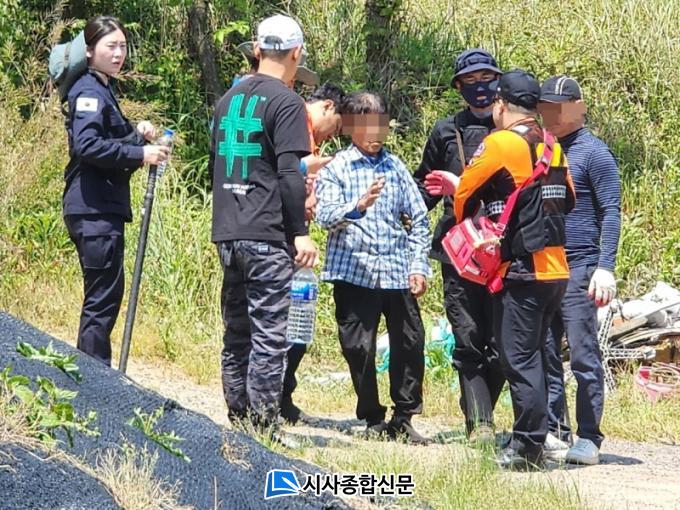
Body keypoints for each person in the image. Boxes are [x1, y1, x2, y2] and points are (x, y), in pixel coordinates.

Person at [434, 70, 575, 468]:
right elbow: (569, 198)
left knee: (518, 358)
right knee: (535, 354)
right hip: (555, 268)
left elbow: (463, 195)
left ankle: (527, 446)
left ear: (500, 105)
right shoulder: (552, 145)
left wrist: (478, 222)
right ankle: (538, 435)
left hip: (522, 269)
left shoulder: (500, 142)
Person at [209, 15, 317, 431]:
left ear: (256, 50)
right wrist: (300, 232)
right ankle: (262, 427)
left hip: (229, 229)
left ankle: (237, 417)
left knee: (237, 331)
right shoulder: (287, 102)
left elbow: (217, 164)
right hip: (266, 232)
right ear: (296, 53)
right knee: (270, 334)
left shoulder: (228, 99)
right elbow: (290, 173)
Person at [316, 91, 431, 444]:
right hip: (354, 272)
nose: (376, 134)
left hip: (397, 270)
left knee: (410, 343)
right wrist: (358, 205)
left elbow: (419, 219)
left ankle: (404, 417)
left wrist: (418, 266)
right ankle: (372, 417)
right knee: (358, 348)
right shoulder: (337, 167)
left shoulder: (395, 167)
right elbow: (325, 216)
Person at [62, 16, 169, 366]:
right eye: (111, 46)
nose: (119, 53)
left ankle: (94, 376)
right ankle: (94, 382)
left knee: (105, 297)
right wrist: (141, 154)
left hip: (99, 208)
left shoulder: (101, 87)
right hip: (93, 210)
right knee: (101, 301)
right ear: (89, 51)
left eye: (122, 46)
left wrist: (137, 136)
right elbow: (88, 146)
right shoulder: (89, 91)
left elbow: (107, 143)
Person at [413, 49, 504, 441]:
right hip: (458, 250)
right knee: (467, 337)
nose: (480, 88)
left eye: (487, 78)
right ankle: (480, 424)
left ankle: (482, 411)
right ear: (458, 87)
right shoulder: (445, 131)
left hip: (504, 250)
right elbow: (424, 187)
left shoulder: (515, 132)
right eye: (470, 81)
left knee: (501, 343)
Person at [538, 76, 621, 465]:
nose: (551, 114)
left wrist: (606, 266)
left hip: (580, 265)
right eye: (545, 107)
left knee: (583, 355)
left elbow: (611, 212)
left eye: (559, 107)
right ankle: (556, 430)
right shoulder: (542, 151)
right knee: (545, 351)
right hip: (544, 265)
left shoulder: (595, 153)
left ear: (577, 107)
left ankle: (589, 436)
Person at [281, 83, 345, 425]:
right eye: (336, 126)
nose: (333, 135)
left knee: (296, 321)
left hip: (294, 232)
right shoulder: (294, 121)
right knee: (282, 320)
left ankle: (282, 395)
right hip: (281, 234)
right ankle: (270, 399)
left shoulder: (310, 135)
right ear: (328, 107)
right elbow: (287, 173)